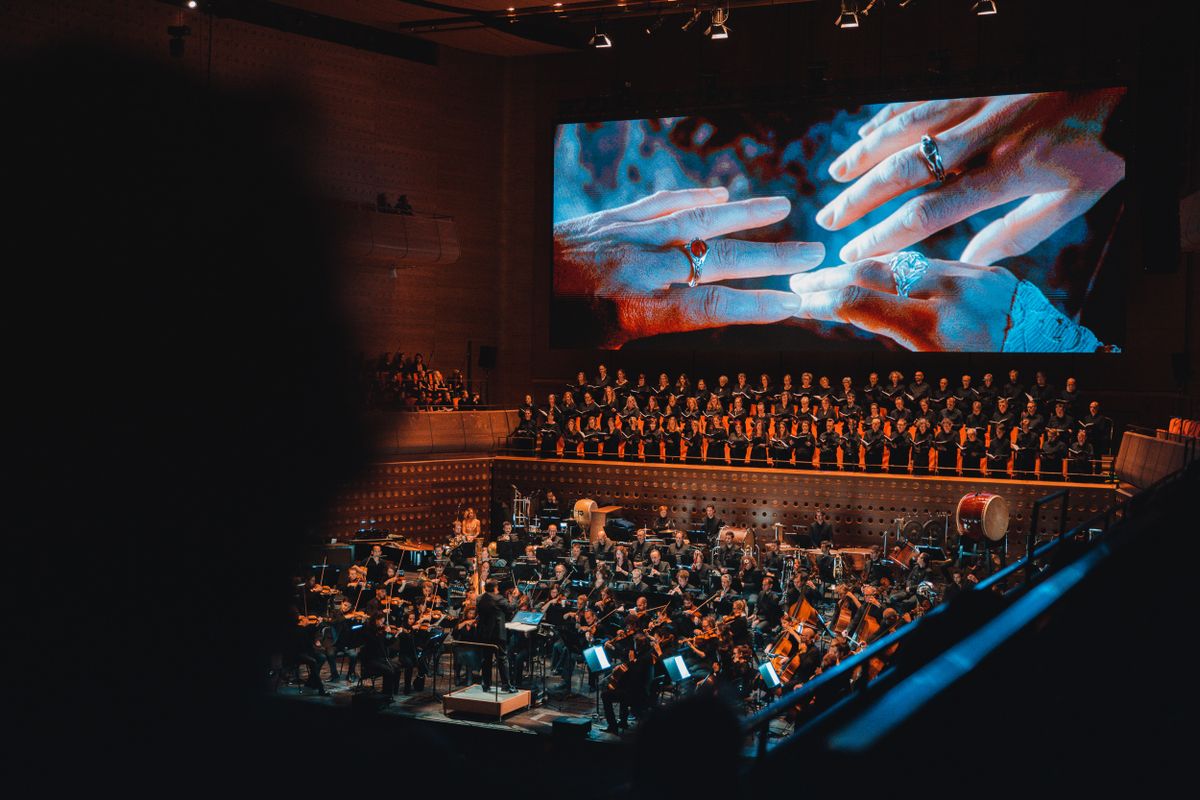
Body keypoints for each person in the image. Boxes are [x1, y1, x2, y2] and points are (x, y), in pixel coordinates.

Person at [475, 580, 514, 692]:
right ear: (495, 588)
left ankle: (486, 685)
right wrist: (515, 597)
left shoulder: (479, 598)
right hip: (497, 634)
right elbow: (510, 608)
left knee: (486, 660)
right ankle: (506, 685)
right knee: (502, 659)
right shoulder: (498, 598)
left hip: (484, 634)